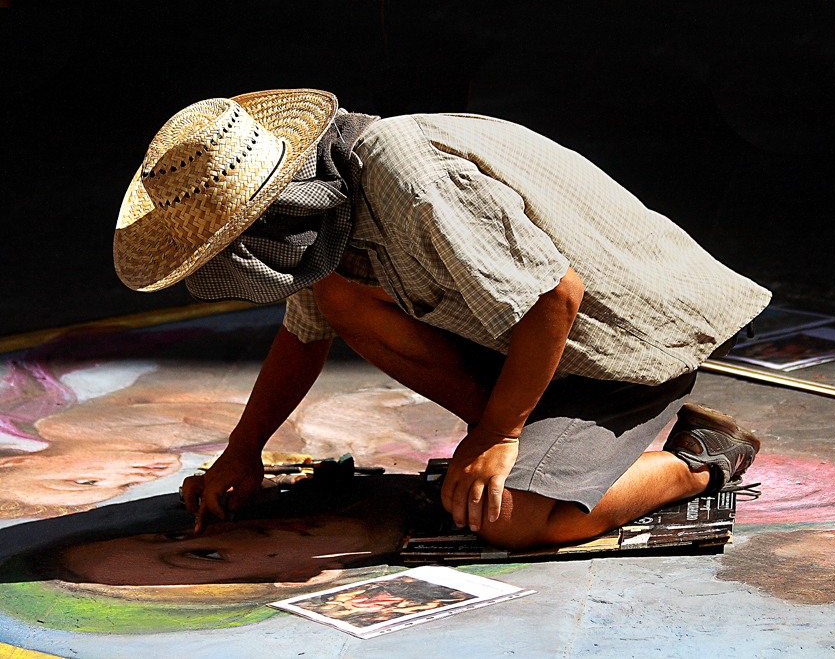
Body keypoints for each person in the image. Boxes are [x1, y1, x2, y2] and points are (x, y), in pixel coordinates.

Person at [114, 88, 771, 550]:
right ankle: (536, 443)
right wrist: (242, 449)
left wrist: (496, 433)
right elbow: (304, 332)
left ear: (271, 215)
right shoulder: (327, 206)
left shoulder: (409, 180)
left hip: (625, 344)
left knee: (510, 518)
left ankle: (701, 456)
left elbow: (557, 298)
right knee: (340, 299)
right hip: (547, 340)